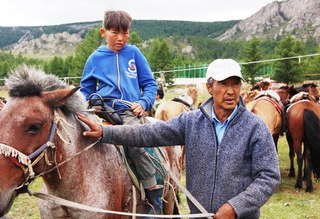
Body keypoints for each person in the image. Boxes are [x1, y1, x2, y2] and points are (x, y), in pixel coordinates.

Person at [78, 58, 281, 219]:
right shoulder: (191, 122)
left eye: (235, 84)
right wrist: (106, 133)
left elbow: (269, 177)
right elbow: (147, 133)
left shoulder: (255, 127)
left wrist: (235, 207)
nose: (230, 90)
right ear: (209, 87)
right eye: (223, 83)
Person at [79, 10, 161, 214]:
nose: (120, 38)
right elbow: (85, 89)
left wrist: (143, 102)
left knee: (135, 141)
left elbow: (150, 84)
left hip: (128, 110)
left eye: (125, 33)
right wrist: (88, 103)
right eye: (115, 32)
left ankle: (152, 194)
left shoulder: (134, 54)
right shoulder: (95, 58)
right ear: (103, 32)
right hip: (101, 109)